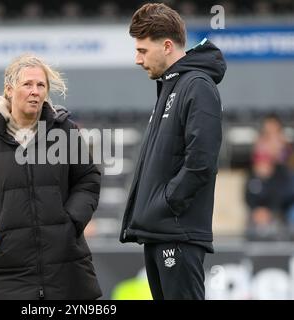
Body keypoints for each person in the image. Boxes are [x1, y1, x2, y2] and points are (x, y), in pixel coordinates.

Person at [0, 54, 102, 300]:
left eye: (41, 85)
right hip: (2, 273)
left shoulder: (65, 131)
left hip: (64, 270)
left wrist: (70, 223)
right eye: (28, 84)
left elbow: (87, 180)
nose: (35, 91)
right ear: (9, 90)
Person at [119, 3, 226, 300]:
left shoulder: (197, 85)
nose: (137, 59)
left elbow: (201, 162)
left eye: (142, 50)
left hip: (177, 233)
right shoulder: (172, 86)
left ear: (167, 46)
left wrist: (167, 203)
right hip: (161, 231)